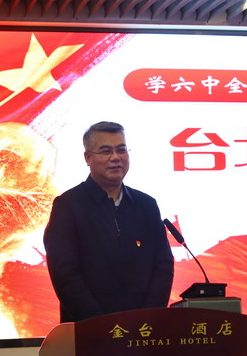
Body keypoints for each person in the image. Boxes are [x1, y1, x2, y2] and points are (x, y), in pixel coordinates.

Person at [43, 121, 174, 322]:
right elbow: (64, 274)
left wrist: (147, 318)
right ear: (88, 157)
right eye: (106, 151)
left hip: (143, 329)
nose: (115, 158)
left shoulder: (146, 205)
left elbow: (163, 266)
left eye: (121, 150)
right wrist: (99, 324)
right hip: (88, 329)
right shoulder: (68, 205)